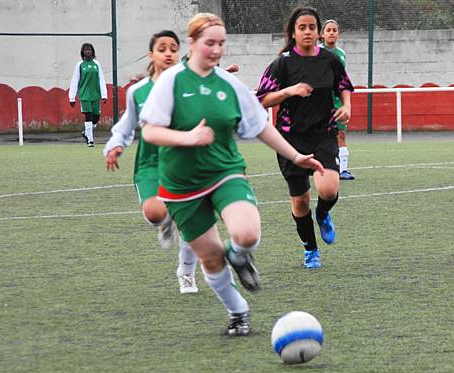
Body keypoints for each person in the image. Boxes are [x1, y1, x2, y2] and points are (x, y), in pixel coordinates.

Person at [139, 13, 325, 336]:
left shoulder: (229, 84)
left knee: (246, 234)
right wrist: (186, 138)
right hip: (182, 185)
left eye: (221, 43)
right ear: (193, 43)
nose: (216, 50)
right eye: (209, 43)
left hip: (225, 172)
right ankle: (238, 312)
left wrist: (296, 156)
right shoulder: (171, 81)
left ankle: (239, 257)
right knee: (211, 258)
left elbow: (260, 126)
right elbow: (151, 131)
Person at [256, 6, 354, 269]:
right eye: (302, 28)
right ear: (293, 32)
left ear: (319, 32)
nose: (308, 32)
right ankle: (310, 249)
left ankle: (323, 214)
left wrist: (347, 106)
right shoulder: (282, 63)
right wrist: (290, 91)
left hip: (323, 134)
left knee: (329, 188)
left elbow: (344, 86)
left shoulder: (330, 59)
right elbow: (263, 99)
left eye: (312, 27)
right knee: (300, 202)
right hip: (290, 140)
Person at [103, 30, 199, 295]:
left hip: (185, 164)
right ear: (152, 55)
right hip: (150, 164)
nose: (168, 53)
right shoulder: (138, 91)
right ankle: (165, 222)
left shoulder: (188, 87)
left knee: (192, 226)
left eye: (173, 48)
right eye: (162, 48)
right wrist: (116, 145)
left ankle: (187, 273)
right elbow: (126, 125)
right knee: (155, 212)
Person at [319, 19, 354, 180]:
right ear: (322, 34)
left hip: (337, 101)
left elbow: (341, 78)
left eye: (334, 30)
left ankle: (343, 170)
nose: (331, 32)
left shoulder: (341, 54)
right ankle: (318, 167)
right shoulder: (317, 51)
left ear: (338, 34)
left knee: (341, 134)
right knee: (320, 135)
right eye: (328, 30)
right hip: (320, 101)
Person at [69, 43, 107, 147]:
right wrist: (71, 97)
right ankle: (90, 140)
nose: (88, 51)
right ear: (82, 52)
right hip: (84, 94)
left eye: (89, 50)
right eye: (85, 50)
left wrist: (104, 95)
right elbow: (75, 80)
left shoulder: (97, 64)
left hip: (96, 94)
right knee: (88, 115)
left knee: (96, 116)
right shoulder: (80, 65)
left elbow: (101, 79)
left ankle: (86, 132)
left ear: (93, 52)